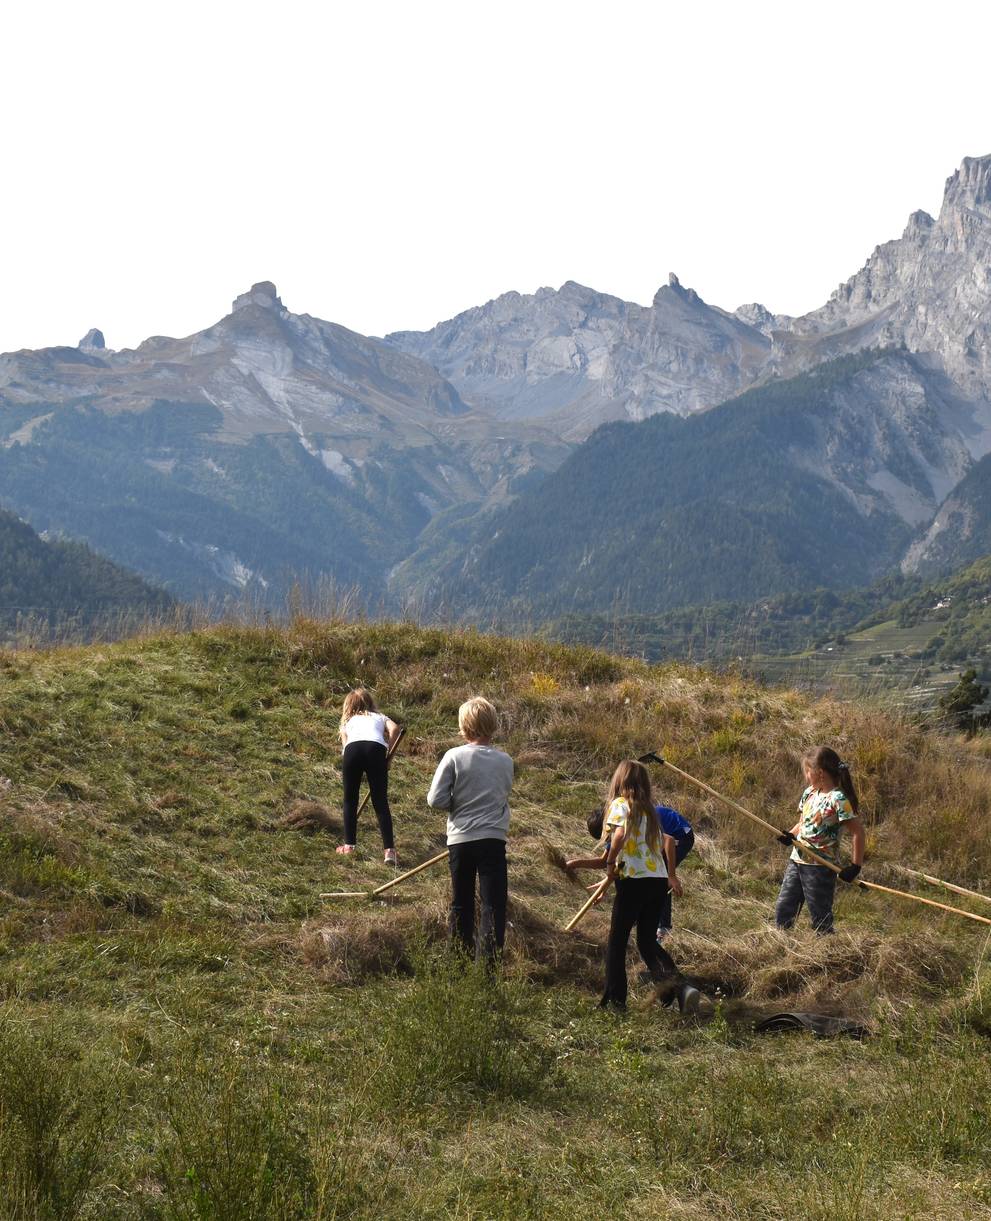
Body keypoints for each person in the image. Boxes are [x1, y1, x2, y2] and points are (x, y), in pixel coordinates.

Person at [568, 760, 693, 1011]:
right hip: (657, 882)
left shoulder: (619, 805)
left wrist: (611, 864)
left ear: (620, 781)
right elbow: (667, 841)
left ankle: (615, 1002)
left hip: (634, 882)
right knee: (646, 942)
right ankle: (678, 988)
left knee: (617, 942)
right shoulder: (649, 811)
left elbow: (619, 835)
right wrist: (671, 875)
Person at [426, 696, 514, 961]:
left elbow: (435, 799)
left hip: (461, 839)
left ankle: (458, 964)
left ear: (464, 726)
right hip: (493, 839)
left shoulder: (454, 756)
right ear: (492, 724)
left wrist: (457, 805)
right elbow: (503, 793)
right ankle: (486, 970)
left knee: (461, 903)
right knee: (493, 906)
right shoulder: (505, 761)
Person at [774, 746, 865, 935]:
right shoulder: (809, 793)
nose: (806, 777)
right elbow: (803, 822)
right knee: (784, 907)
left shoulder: (837, 799)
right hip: (797, 860)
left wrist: (855, 866)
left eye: (808, 772)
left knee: (820, 914)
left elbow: (858, 832)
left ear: (820, 773)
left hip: (820, 867)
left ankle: (826, 945)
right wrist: (791, 835)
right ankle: (781, 941)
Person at [583, 801, 694, 944]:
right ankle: (637, 914)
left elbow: (669, 841)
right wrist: (573, 865)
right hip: (663, 836)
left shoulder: (631, 825)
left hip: (680, 834)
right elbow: (607, 862)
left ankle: (663, 927)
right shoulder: (618, 826)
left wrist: (671, 875)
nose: (609, 841)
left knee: (660, 876)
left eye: (608, 837)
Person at [336, 688, 402, 863]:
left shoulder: (347, 721)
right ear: (371, 702)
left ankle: (349, 846)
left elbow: (345, 747)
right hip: (376, 749)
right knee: (380, 801)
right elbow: (395, 729)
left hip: (352, 750)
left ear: (349, 705)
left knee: (350, 800)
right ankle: (389, 851)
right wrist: (388, 757)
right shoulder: (379, 717)